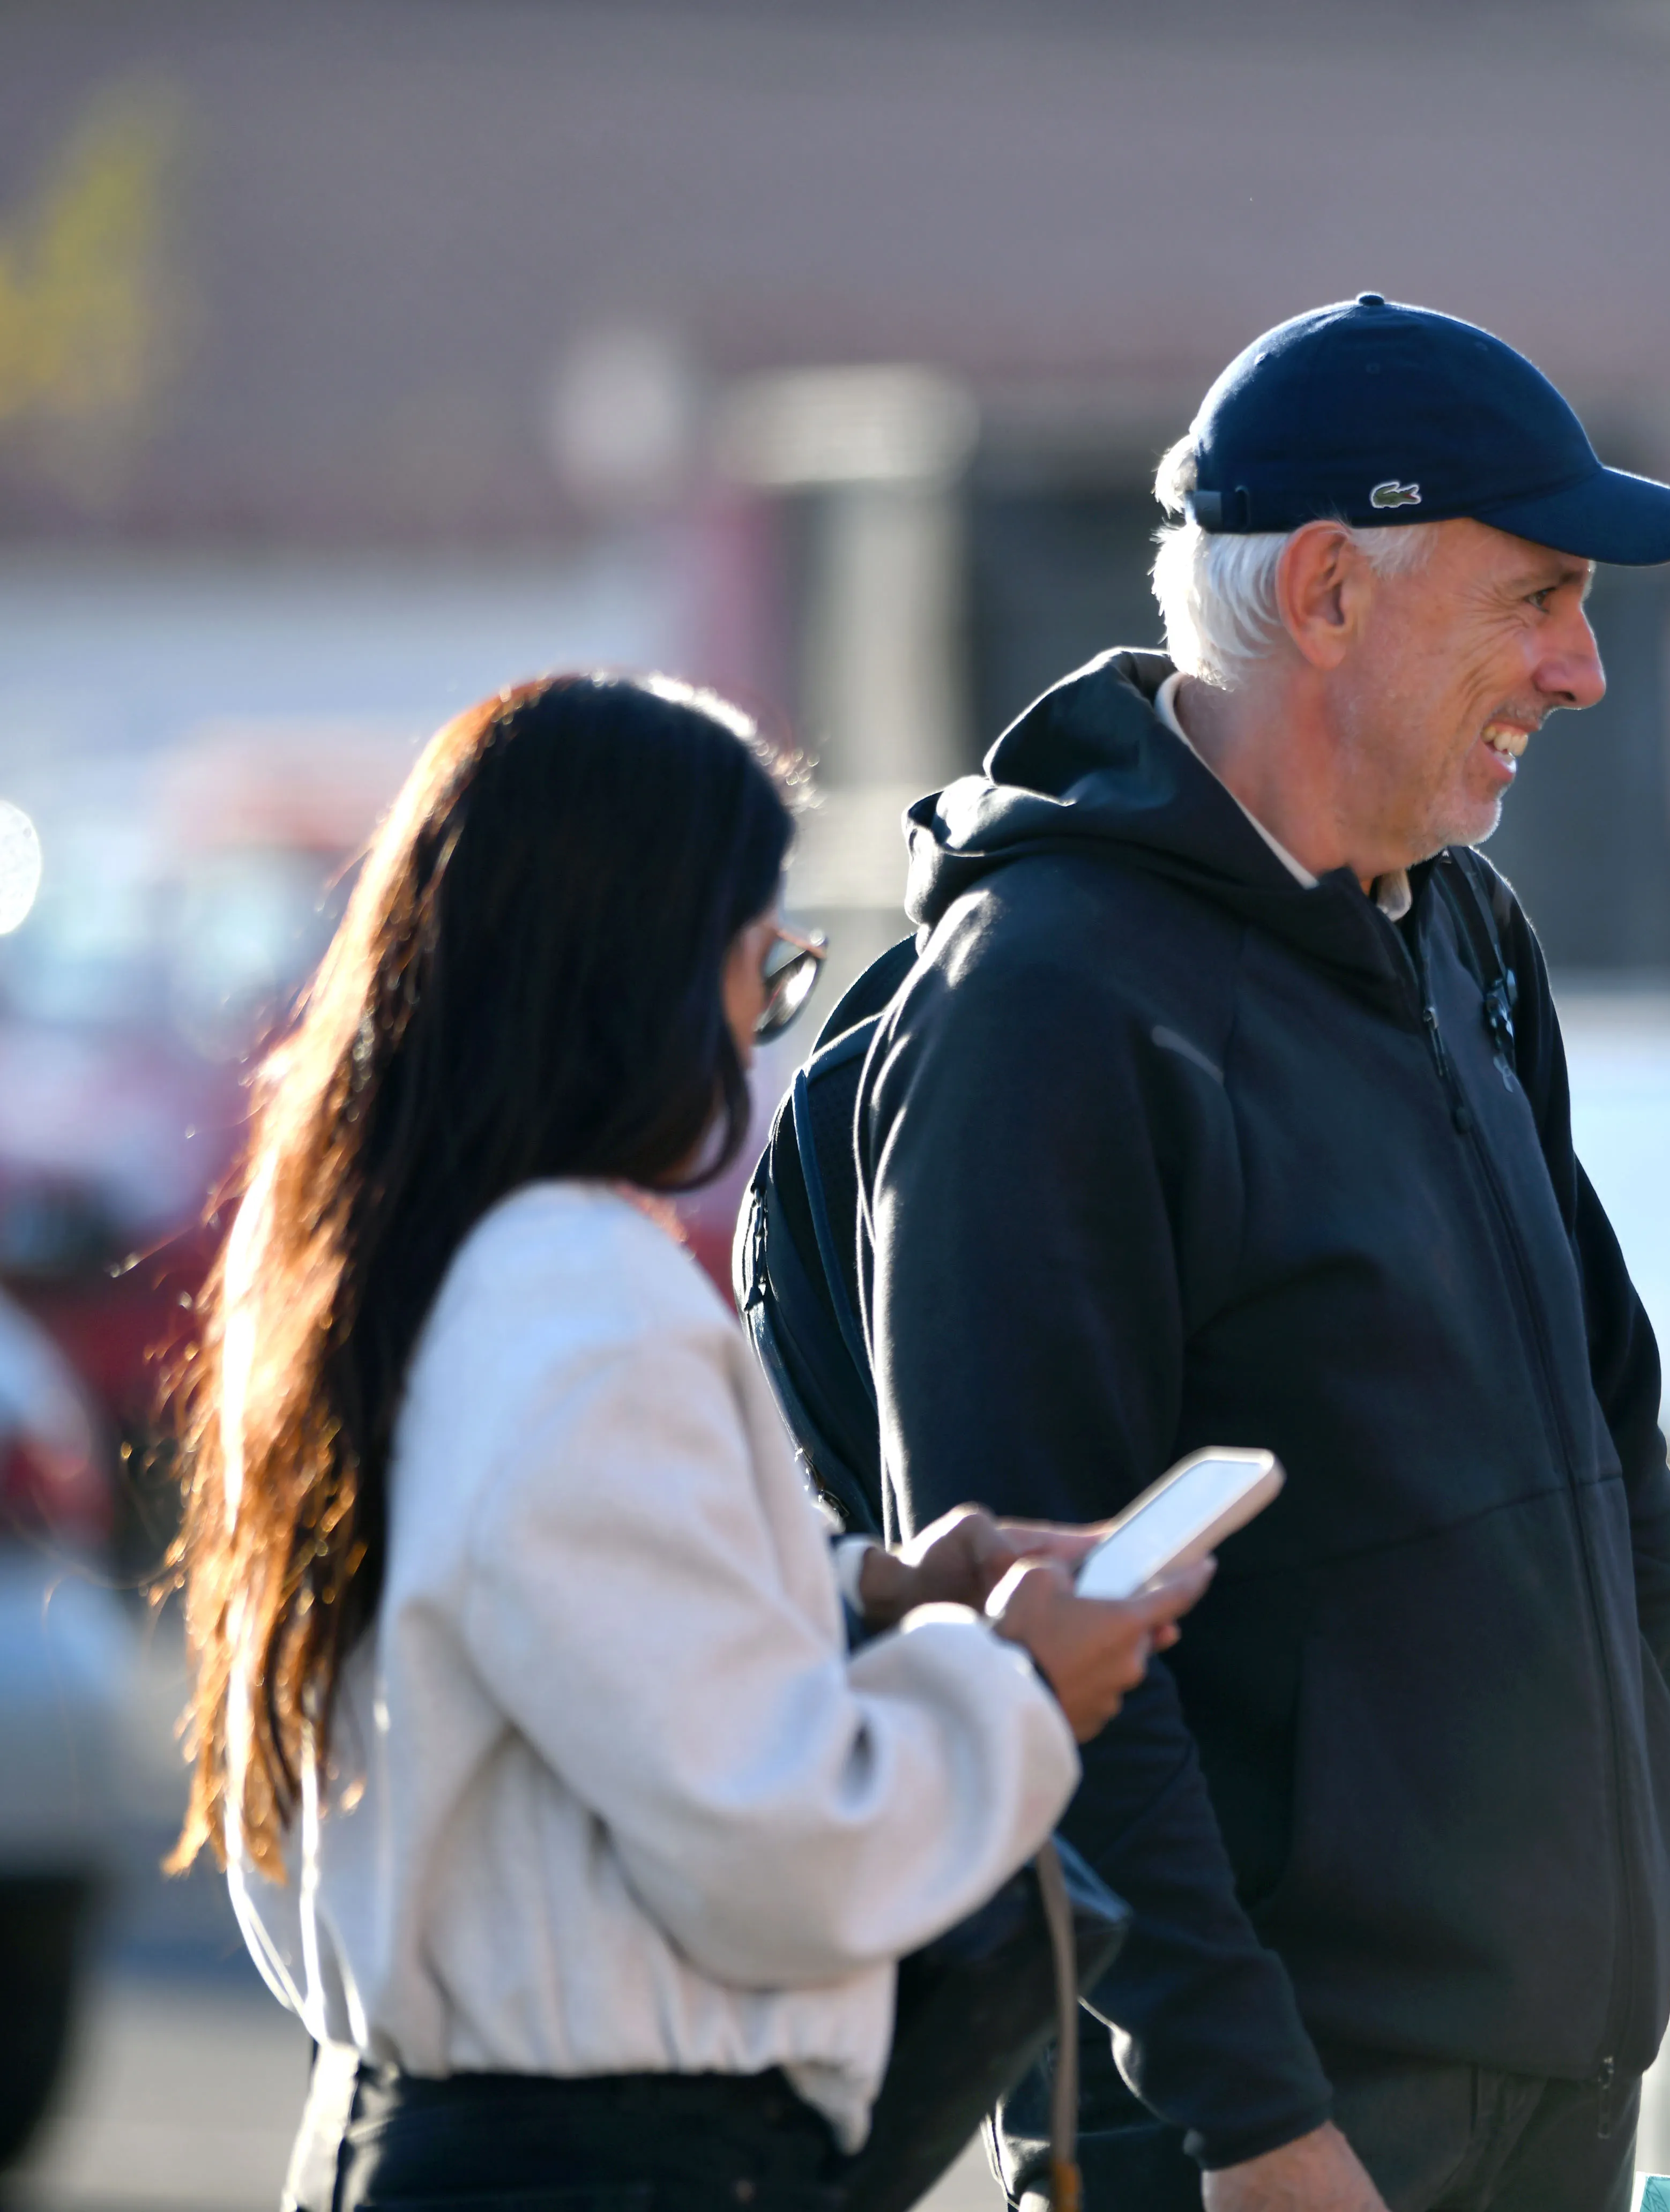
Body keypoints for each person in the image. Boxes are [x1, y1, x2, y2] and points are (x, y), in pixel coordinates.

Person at [844, 295, 1670, 2212]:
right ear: (1324, 592)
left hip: (1550, 2077)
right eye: (1539, 596)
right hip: (1269, 2135)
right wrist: (1253, 2121)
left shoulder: (1462, 932)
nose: (1584, 671)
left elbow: (1609, 1458)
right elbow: (1033, 1655)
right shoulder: (1047, 1008)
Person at [164, 672, 1205, 2210]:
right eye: (759, 965)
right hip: (607, 2161)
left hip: (437, 2132)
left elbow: (546, 1615)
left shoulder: (397, 1264)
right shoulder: (582, 1305)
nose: (759, 1023)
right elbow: (788, 1843)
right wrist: (1017, 1679)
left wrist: (872, 1591)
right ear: (641, 973)